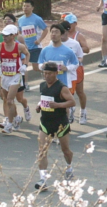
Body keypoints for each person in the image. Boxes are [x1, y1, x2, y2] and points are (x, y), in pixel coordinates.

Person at [34, 62, 75, 191]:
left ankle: (69, 168)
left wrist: (57, 105)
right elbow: (45, 98)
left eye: (49, 73)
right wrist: (39, 105)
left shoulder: (61, 87)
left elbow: (72, 102)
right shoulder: (42, 85)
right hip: (45, 123)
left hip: (60, 124)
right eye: (44, 73)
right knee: (42, 151)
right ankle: (43, 180)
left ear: (56, 73)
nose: (46, 76)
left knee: (65, 150)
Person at [38, 23, 80, 126]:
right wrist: (42, 66)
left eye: (56, 32)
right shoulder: (45, 50)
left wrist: (67, 68)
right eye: (52, 32)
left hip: (63, 83)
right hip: (49, 83)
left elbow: (76, 63)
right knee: (50, 106)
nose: (53, 34)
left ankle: (63, 129)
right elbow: (39, 63)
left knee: (63, 107)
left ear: (61, 34)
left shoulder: (68, 51)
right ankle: (50, 127)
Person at [0, 24, 31, 133]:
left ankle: (9, 125)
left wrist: (25, 65)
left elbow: (27, 54)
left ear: (13, 36)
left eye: (7, 35)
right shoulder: (0, 46)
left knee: (11, 100)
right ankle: (16, 117)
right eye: (3, 35)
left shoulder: (19, 47)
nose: (4, 37)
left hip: (16, 76)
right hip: (5, 75)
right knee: (7, 100)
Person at [19, 0, 48, 81]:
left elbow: (45, 30)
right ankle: (25, 85)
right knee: (23, 66)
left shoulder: (37, 19)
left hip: (35, 47)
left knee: (36, 67)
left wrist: (39, 40)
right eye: (24, 6)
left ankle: (49, 72)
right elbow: (19, 33)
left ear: (32, 8)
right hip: (25, 47)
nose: (25, 8)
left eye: (27, 6)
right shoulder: (20, 20)